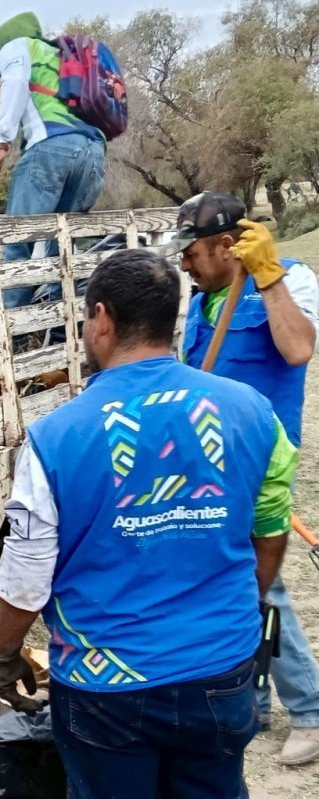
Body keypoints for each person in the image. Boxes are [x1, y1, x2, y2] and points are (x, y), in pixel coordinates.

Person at [0, 249, 297, 797]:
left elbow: (25, 578)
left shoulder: (55, 437)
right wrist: (234, 613)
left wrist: (4, 657)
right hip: (222, 669)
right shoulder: (252, 411)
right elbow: (270, 530)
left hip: (107, 688)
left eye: (88, 318)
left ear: (102, 318)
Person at [175, 191, 319, 766]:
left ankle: (310, 711)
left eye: (191, 253)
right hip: (211, 462)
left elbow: (298, 347)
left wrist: (268, 277)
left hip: (262, 461)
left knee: (265, 587)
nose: (183, 264)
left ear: (226, 246)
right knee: (235, 587)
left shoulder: (291, 280)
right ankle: (253, 700)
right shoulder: (205, 300)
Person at [0, 11, 106, 300]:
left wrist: (0, 146)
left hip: (52, 149)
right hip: (93, 153)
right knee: (61, 244)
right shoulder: (62, 57)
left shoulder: (17, 45)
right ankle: (63, 330)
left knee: (15, 239)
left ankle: (13, 334)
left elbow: (15, 84)